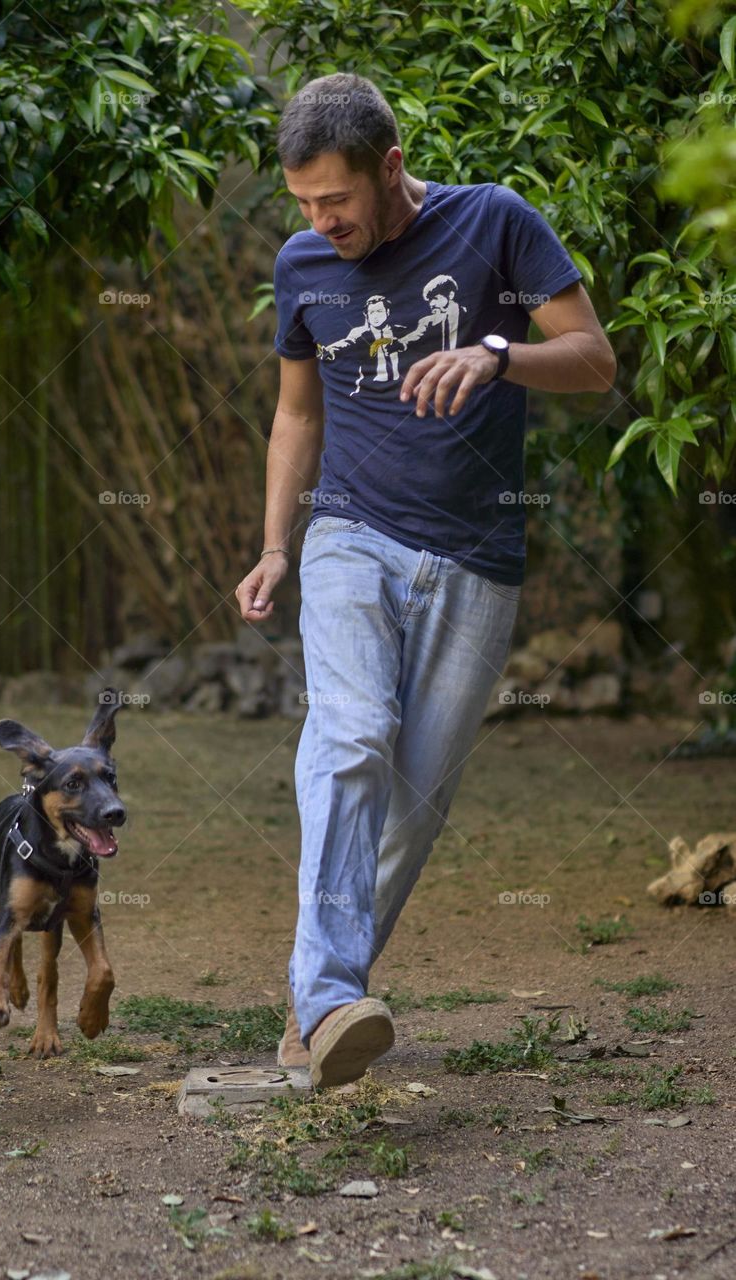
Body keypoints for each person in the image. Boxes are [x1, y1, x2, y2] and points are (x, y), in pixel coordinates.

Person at [235, 72, 616, 1090]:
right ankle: (325, 994)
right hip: (349, 536)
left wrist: (497, 353)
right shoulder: (301, 265)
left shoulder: (492, 224)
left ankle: (314, 1006)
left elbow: (591, 360)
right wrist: (277, 544)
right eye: (304, 204)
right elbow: (297, 414)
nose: (321, 222)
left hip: (475, 562)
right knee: (350, 734)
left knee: (407, 807)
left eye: (336, 202)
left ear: (389, 166)